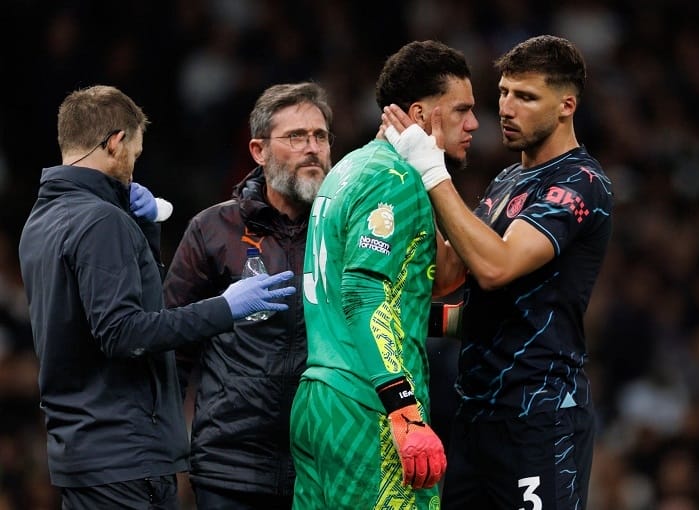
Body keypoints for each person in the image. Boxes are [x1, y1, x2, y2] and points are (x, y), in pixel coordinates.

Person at [17, 84, 296, 510]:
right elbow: (124, 332)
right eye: (134, 152)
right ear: (115, 143)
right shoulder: (99, 221)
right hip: (125, 456)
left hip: (83, 452)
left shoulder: (41, 220)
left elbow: (112, 312)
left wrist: (143, 232)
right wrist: (226, 307)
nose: (133, 166)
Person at [382, 35, 613, 509]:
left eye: (526, 97)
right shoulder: (507, 180)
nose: (506, 108)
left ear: (567, 105)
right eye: (504, 92)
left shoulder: (581, 183)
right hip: (476, 415)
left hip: (538, 418)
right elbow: (450, 274)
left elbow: (494, 266)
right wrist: (404, 178)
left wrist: (430, 169)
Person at [290, 40, 479, 509]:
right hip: (369, 405)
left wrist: (457, 323)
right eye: (462, 110)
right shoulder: (395, 181)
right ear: (421, 114)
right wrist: (404, 411)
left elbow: (383, 294)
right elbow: (361, 292)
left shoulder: (349, 169)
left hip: (320, 400)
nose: (474, 124)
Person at [162, 82, 334, 510]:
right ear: (258, 151)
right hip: (229, 467)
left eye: (320, 136)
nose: (312, 148)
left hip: (324, 466)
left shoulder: (344, 229)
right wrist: (161, 448)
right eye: (296, 136)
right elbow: (172, 347)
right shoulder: (213, 229)